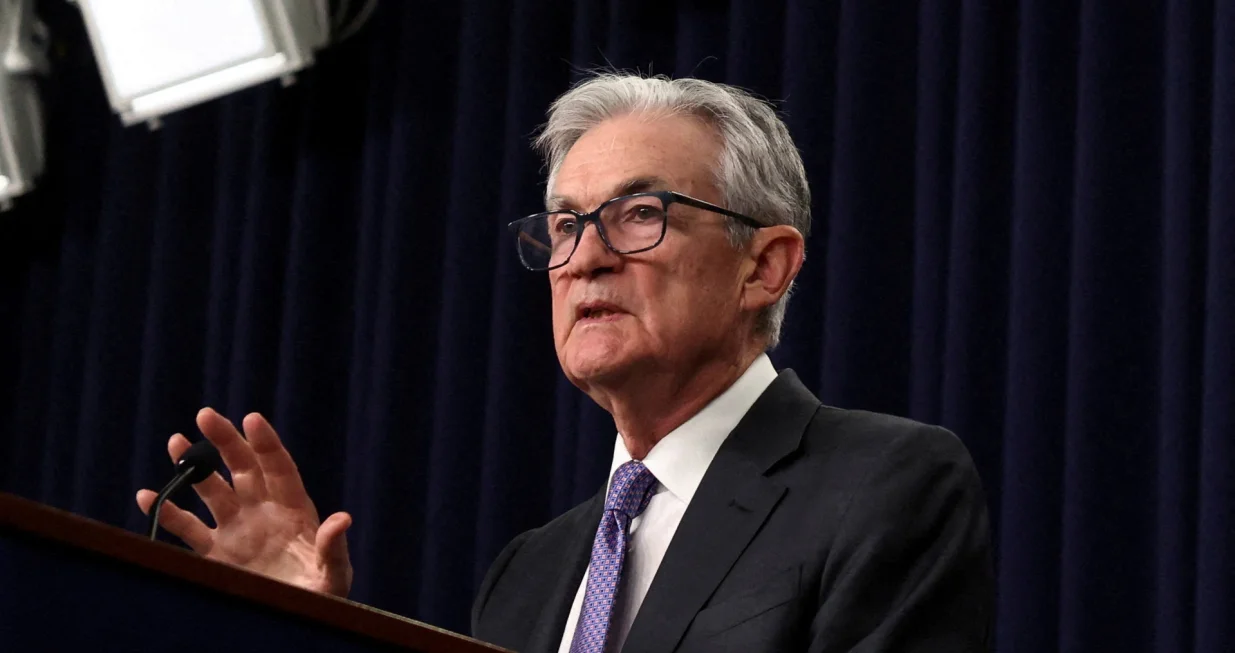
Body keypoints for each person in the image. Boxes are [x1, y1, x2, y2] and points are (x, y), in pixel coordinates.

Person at [138, 73, 994, 653]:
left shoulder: (883, 483)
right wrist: (309, 628)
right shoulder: (529, 572)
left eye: (638, 215)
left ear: (762, 265)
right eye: (565, 225)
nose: (584, 258)